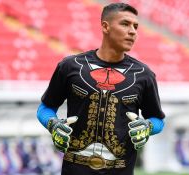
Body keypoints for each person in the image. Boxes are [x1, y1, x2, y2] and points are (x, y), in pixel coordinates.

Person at [37, 2, 165, 175]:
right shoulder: (70, 66)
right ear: (105, 26)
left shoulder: (144, 74)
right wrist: (53, 125)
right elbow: (45, 107)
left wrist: (147, 127)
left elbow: (157, 119)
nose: (133, 31)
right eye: (125, 24)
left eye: (136, 26)